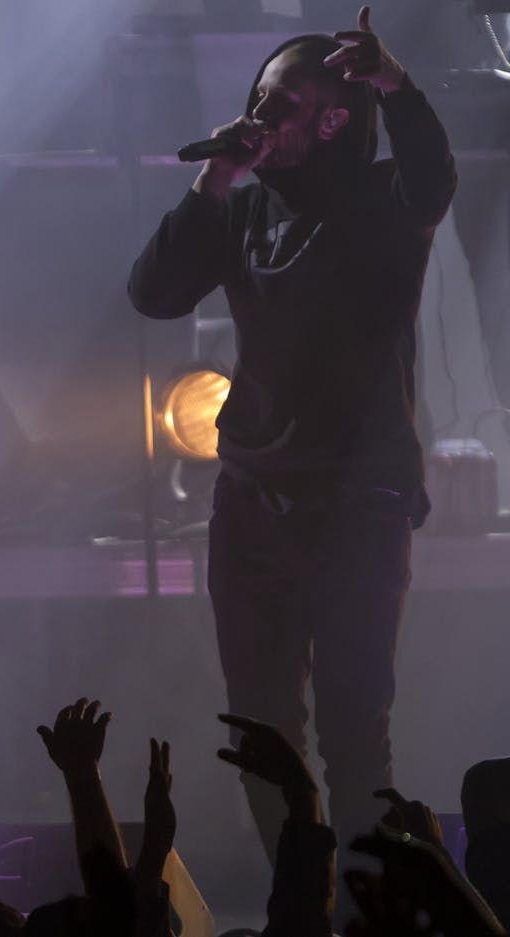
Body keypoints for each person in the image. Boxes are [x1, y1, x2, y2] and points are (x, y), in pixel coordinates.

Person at [127, 7, 456, 858]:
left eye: (279, 104)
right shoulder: (243, 206)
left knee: (354, 729)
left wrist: (397, 83)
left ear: (334, 117)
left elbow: (434, 175)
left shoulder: (386, 198)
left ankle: (368, 906)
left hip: (358, 497)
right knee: (260, 729)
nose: (259, 116)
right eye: (257, 100)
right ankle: (297, 902)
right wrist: (215, 180)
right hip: (252, 497)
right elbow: (155, 293)